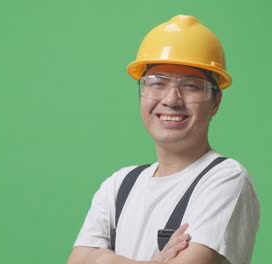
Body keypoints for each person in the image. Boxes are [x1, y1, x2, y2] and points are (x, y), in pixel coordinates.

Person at [67, 15, 260, 264]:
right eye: (157, 83)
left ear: (215, 102)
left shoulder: (225, 179)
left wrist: (104, 259)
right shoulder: (118, 186)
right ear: (142, 93)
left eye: (191, 85)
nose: (171, 99)